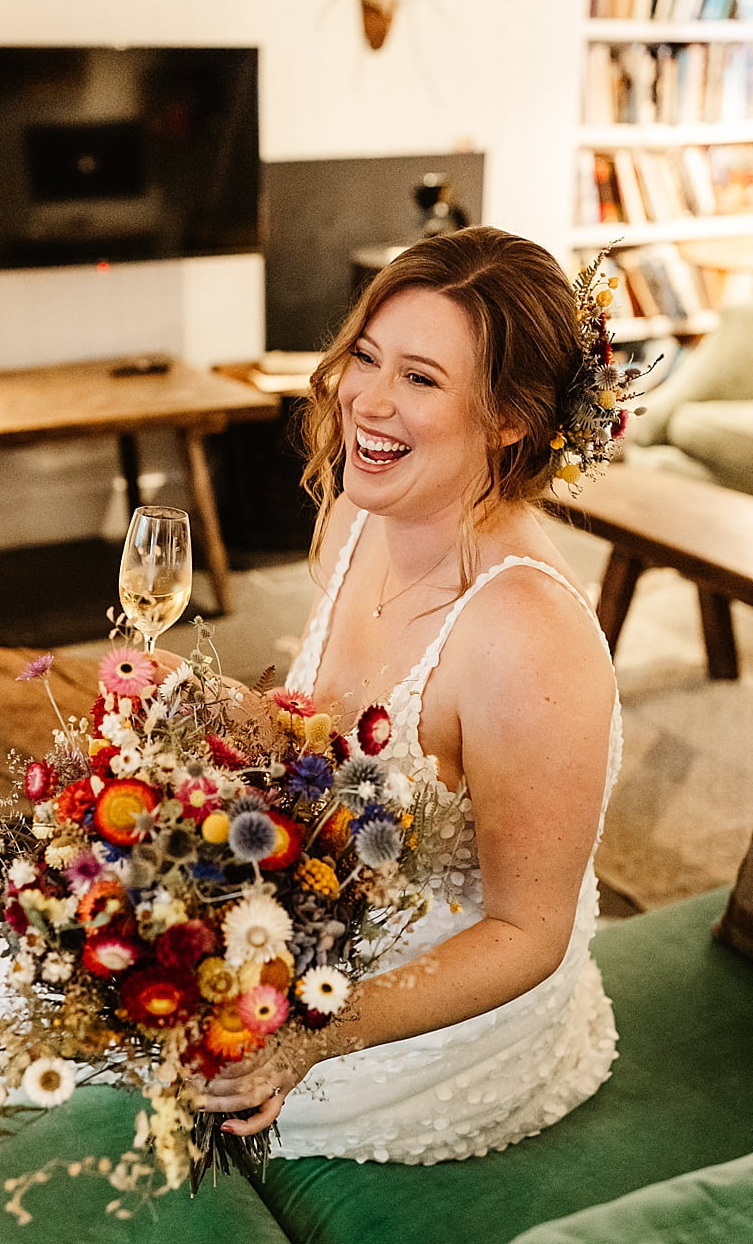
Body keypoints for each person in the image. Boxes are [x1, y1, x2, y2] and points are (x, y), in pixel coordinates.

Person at [190, 226, 623, 1164]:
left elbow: (526, 930)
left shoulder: (524, 635)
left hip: (446, 999)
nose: (368, 400)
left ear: (509, 418)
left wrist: (317, 1031)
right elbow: (330, 740)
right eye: (368, 357)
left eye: (422, 379)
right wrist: (209, 712)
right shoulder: (357, 510)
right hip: (327, 899)